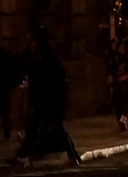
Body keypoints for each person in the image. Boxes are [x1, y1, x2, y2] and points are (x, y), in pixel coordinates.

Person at [13, 26, 81, 166]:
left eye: (30, 38)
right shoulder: (40, 54)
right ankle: (25, 155)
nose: (28, 41)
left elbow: (47, 79)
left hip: (49, 100)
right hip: (46, 100)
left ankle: (72, 155)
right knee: (36, 128)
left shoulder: (46, 55)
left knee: (48, 129)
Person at [106, 20, 128, 133]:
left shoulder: (126, 42)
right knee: (122, 99)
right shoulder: (123, 44)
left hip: (121, 75)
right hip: (123, 75)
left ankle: (121, 117)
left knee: (121, 99)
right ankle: (122, 117)